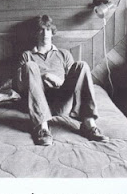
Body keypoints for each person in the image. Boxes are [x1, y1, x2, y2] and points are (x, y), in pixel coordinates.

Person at [14, 15, 108, 146]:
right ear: (35, 33)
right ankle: (42, 128)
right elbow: (20, 86)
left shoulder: (64, 54)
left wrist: (57, 80)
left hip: (61, 103)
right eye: (41, 30)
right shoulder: (27, 55)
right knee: (30, 65)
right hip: (37, 103)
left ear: (52, 32)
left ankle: (89, 124)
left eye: (48, 29)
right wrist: (42, 78)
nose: (45, 34)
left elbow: (75, 85)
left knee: (81, 65)